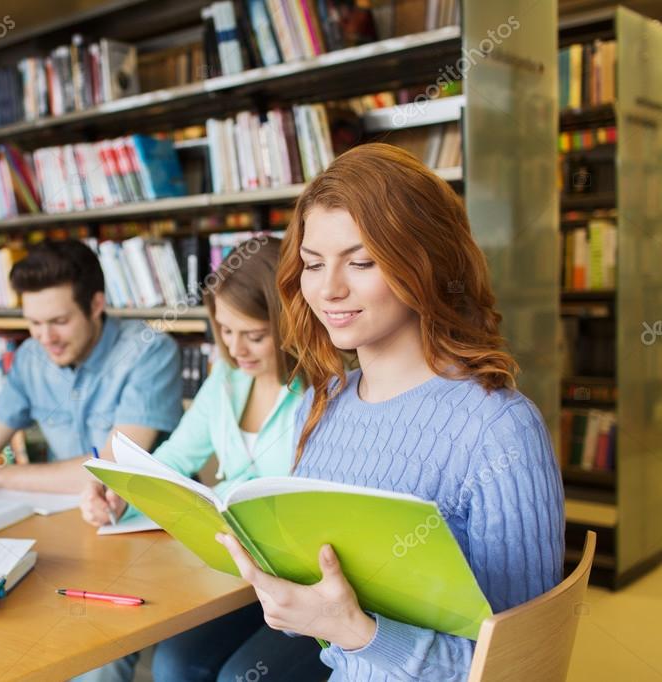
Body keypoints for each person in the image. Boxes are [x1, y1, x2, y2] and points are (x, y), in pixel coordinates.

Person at [216, 143, 565, 681]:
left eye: (361, 262)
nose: (329, 289)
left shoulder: (498, 429)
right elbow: (319, 612)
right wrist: (287, 597)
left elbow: (524, 668)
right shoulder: (321, 403)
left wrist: (359, 631)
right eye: (312, 264)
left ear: (424, 262)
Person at [78, 238, 330, 682]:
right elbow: (175, 456)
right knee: (174, 664)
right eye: (225, 332)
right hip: (235, 578)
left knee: (240, 677)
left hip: (303, 588)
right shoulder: (226, 379)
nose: (236, 350)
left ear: (289, 320)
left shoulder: (324, 391)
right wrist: (120, 493)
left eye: (254, 335)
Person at [0, 239, 182, 503]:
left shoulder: (150, 352)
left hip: (149, 518)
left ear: (96, 305)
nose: (45, 337)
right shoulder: (30, 356)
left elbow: (113, 470)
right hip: (63, 511)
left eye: (59, 321)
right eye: (34, 322)